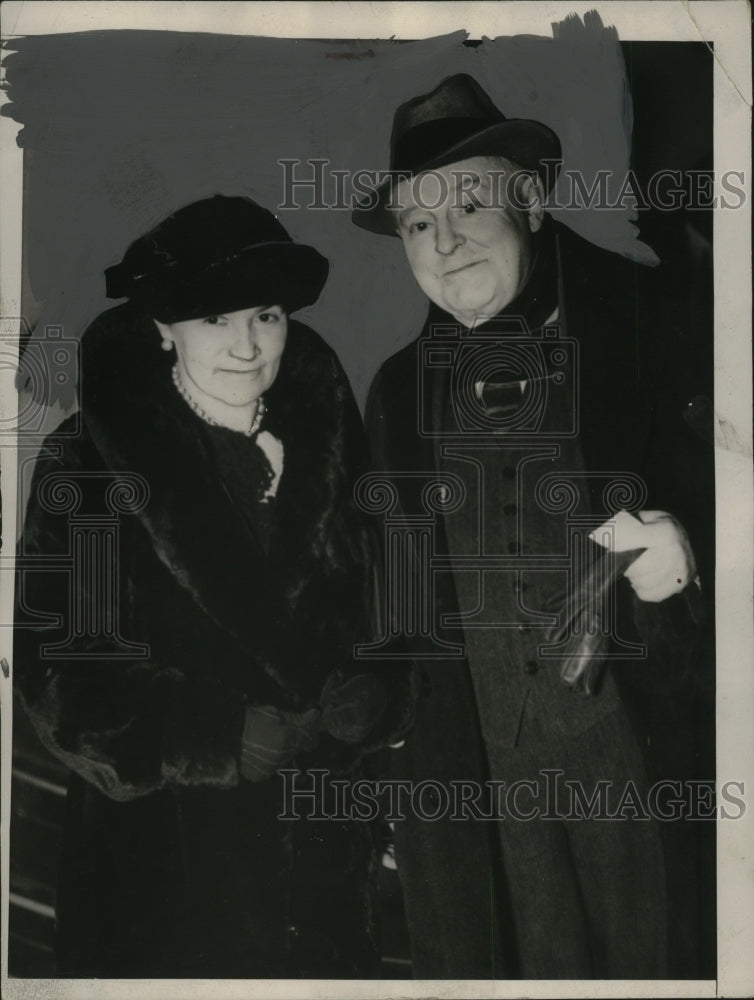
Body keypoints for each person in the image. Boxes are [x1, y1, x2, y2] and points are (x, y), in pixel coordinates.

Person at [353, 75, 714, 979]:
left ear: (533, 200)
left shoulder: (663, 326)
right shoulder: (397, 392)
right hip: (485, 779)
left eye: (470, 203)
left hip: (648, 753)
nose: (447, 242)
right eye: (418, 226)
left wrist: (689, 561)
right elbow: (388, 609)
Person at [14, 194, 414, 978]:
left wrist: (380, 685)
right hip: (165, 868)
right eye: (214, 320)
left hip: (320, 872)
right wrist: (204, 734)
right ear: (165, 328)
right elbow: (60, 676)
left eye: (264, 315)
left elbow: (390, 600)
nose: (245, 345)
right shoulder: (89, 467)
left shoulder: (331, 437)